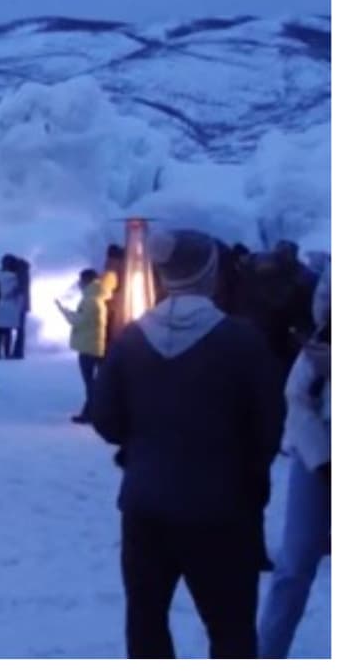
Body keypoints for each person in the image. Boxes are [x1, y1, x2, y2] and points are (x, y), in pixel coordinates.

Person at [89, 229, 285, 659]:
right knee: (230, 627)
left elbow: (104, 419)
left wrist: (143, 444)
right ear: (210, 274)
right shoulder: (242, 340)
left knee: (146, 622)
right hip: (222, 508)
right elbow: (269, 427)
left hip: (144, 505)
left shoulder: (131, 339)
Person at [258, 261, 331, 658]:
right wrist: (323, 463)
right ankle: (268, 654)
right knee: (296, 559)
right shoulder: (323, 341)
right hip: (316, 455)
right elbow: (297, 399)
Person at [56, 269, 113, 424]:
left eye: (80, 281)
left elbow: (79, 321)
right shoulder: (97, 297)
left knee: (90, 383)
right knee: (94, 382)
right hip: (95, 343)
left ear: (86, 281)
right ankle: (91, 411)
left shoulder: (90, 300)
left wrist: (65, 312)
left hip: (89, 346)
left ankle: (91, 413)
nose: (79, 284)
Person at [0, 255, 22, 360]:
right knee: (7, 332)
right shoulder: (15, 277)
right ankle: (7, 352)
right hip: (10, 306)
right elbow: (18, 291)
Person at [10, 257, 31, 359]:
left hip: (20, 303)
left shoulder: (21, 270)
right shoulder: (22, 269)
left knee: (20, 329)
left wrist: (11, 292)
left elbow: (21, 286)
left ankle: (18, 352)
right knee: (20, 329)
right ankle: (17, 351)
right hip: (20, 303)